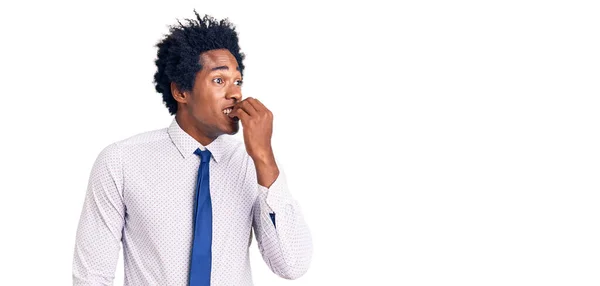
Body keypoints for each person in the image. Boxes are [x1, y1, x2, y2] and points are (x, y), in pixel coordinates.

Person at [72, 11, 312, 286]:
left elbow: (292, 265)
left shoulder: (251, 164)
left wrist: (264, 156)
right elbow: (92, 276)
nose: (235, 93)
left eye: (238, 81)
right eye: (219, 80)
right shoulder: (121, 161)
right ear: (181, 92)